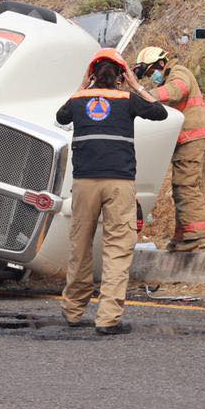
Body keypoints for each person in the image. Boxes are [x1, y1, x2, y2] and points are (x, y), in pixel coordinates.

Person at [56, 48, 168, 335]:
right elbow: (160, 112)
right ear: (121, 75)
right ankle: (108, 319)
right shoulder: (127, 98)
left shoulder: (79, 100)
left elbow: (60, 117)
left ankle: (73, 311)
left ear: (93, 74)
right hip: (119, 183)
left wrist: (83, 85)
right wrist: (136, 84)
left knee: (79, 247)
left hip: (84, 183)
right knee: (117, 249)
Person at [136, 46, 205, 252]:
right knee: (183, 186)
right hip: (189, 139)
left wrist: (144, 94)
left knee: (186, 185)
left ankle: (196, 237)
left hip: (192, 137)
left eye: (149, 71)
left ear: (161, 64)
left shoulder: (178, 72)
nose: (149, 77)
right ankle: (184, 235)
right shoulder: (169, 76)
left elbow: (177, 90)